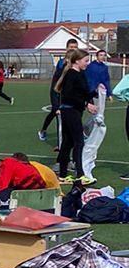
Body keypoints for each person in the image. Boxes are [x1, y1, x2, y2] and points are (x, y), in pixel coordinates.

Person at [55, 46, 95, 181]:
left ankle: (62, 174)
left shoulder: (80, 74)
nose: (87, 63)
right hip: (70, 111)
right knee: (79, 141)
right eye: (85, 60)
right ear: (77, 61)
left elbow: (82, 93)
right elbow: (68, 96)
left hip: (74, 111)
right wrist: (85, 104)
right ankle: (80, 174)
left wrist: (97, 92)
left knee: (68, 142)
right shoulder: (71, 75)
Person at [38, 38, 79, 142]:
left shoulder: (78, 63)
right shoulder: (61, 63)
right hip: (59, 95)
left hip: (70, 96)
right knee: (56, 114)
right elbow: (57, 83)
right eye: (71, 47)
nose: (73, 49)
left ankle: (71, 137)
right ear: (66, 48)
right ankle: (53, 138)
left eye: (75, 47)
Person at [81, 48, 112, 180]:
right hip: (93, 92)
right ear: (96, 56)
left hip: (101, 92)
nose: (103, 57)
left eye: (104, 55)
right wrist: (92, 90)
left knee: (99, 114)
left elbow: (106, 80)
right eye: (101, 55)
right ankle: (88, 128)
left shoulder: (104, 68)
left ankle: (87, 127)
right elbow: (88, 79)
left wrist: (109, 93)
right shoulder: (91, 67)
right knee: (97, 115)